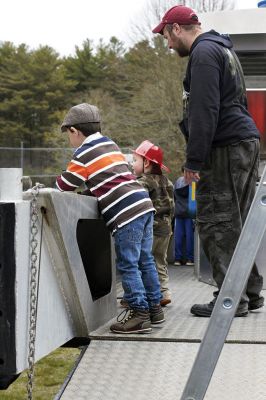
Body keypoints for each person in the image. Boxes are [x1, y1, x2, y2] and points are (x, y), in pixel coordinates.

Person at [152, 5, 264, 317]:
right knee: (237, 221)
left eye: (166, 37)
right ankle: (250, 291)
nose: (169, 45)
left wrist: (194, 161)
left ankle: (231, 300)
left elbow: (204, 111)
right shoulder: (223, 50)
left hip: (225, 148)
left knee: (217, 220)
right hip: (244, 142)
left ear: (176, 29)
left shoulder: (203, 55)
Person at [56, 103, 164, 333]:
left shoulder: (83, 152)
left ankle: (138, 313)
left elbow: (65, 184)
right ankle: (155, 307)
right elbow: (110, 179)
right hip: (143, 204)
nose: (69, 140)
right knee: (145, 259)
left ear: (74, 131)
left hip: (126, 213)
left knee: (128, 263)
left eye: (68, 135)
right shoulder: (110, 145)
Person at [132, 140, 174, 306]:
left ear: (147, 163)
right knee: (160, 261)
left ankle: (143, 295)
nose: (132, 164)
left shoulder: (143, 182)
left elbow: (136, 202)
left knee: (144, 262)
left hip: (149, 230)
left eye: (135, 160)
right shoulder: (168, 182)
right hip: (166, 229)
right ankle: (164, 292)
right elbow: (172, 208)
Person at [174, 167, 194, 266]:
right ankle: (190, 259)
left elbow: (174, 196)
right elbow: (194, 198)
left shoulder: (178, 181)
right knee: (190, 236)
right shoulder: (193, 183)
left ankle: (177, 259)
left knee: (178, 236)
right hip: (190, 213)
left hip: (178, 212)